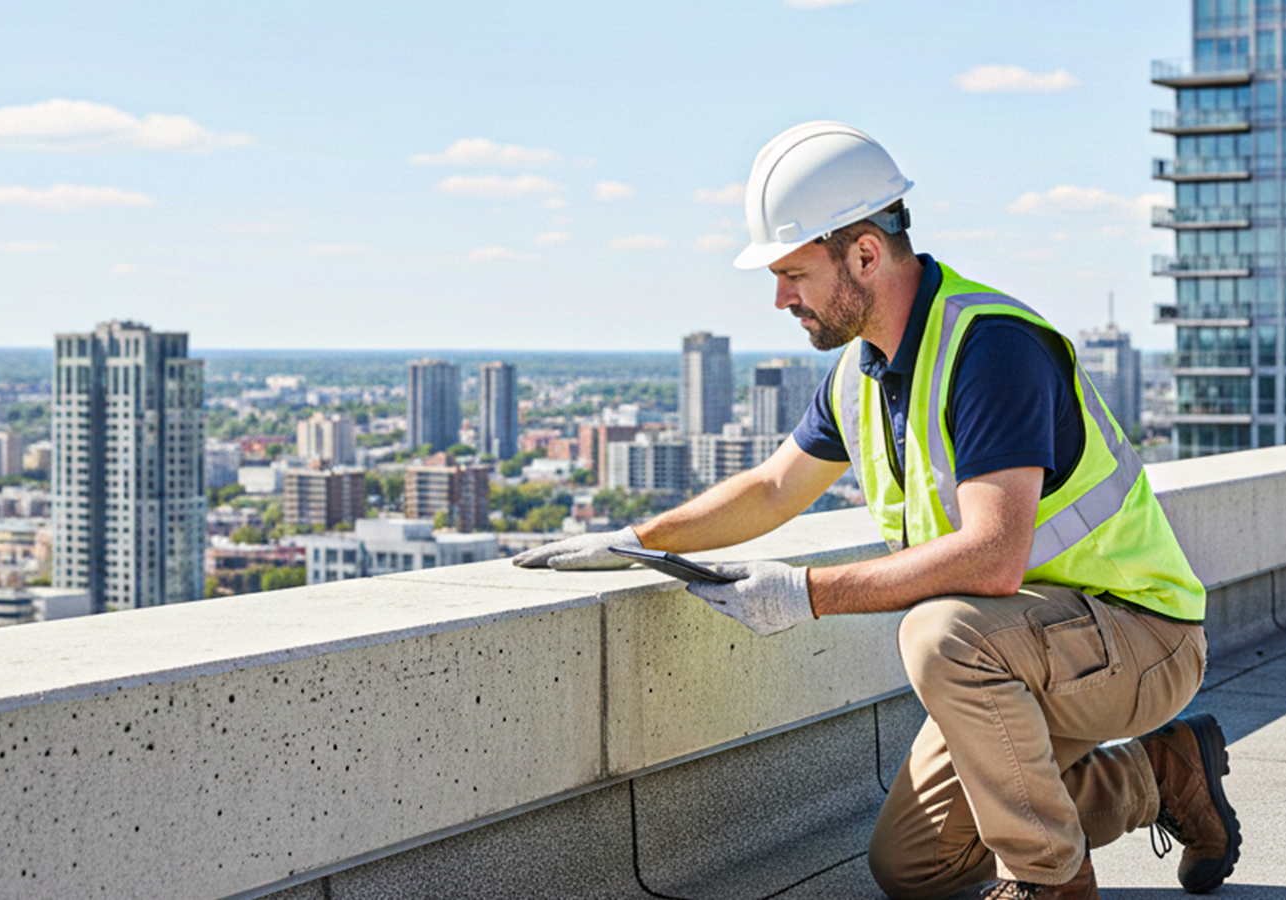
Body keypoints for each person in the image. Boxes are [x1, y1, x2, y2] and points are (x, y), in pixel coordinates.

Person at [513, 122, 1240, 899]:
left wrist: (804, 595)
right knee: (913, 868)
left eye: (793, 272)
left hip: (1140, 635)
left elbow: (993, 557)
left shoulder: (990, 348)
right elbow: (771, 489)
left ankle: (1049, 883)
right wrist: (635, 539)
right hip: (1033, 642)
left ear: (864, 253)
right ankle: (1163, 775)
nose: (780, 297)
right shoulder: (862, 375)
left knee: (939, 632)